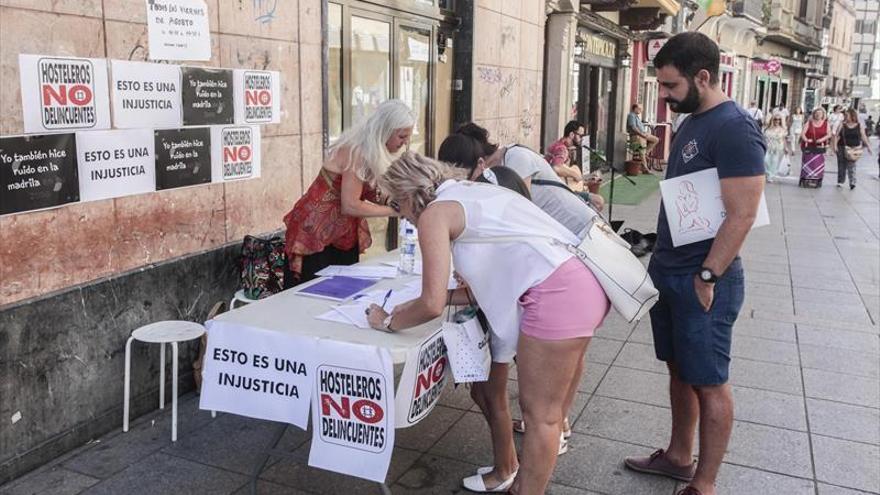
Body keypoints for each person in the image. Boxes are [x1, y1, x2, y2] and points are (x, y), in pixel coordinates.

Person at [367, 152, 609, 494]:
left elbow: (431, 303)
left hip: (557, 293)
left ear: (407, 194)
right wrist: (435, 300)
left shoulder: (434, 215)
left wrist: (388, 320)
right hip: (579, 284)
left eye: (396, 204)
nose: (400, 214)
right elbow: (481, 284)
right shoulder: (469, 190)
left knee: (541, 416)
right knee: (546, 415)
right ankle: (522, 484)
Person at [622, 32, 766, 495]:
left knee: (709, 382)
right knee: (679, 370)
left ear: (703, 76)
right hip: (670, 269)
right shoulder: (693, 120)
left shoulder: (735, 127)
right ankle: (680, 457)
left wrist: (708, 275)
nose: (663, 97)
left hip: (703, 278)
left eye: (670, 87)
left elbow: (742, 212)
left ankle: (704, 484)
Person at [281, 99, 414, 285]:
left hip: (340, 232)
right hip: (317, 232)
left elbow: (367, 190)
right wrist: (396, 211)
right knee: (316, 294)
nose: (405, 143)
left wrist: (392, 201)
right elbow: (350, 205)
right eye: (401, 137)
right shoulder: (357, 151)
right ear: (385, 130)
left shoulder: (369, 149)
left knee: (342, 290)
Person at [833, 108, 873, 190]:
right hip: (842, 146)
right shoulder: (842, 124)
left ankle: (852, 182)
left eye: (847, 115)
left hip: (854, 148)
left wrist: (868, 147)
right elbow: (837, 136)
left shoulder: (859, 125)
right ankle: (840, 181)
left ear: (852, 116)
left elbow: (863, 136)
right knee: (841, 164)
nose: (846, 117)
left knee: (852, 165)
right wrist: (835, 146)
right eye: (845, 115)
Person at [544, 120, 589, 185]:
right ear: (571, 134)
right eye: (581, 136)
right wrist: (574, 174)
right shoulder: (562, 149)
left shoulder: (559, 144)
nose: (582, 139)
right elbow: (556, 168)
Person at [799, 107, 832, 188]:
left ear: (823, 115)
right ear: (814, 114)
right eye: (816, 113)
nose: (818, 115)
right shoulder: (809, 123)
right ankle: (805, 178)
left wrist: (821, 139)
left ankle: (817, 179)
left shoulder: (826, 124)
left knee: (818, 163)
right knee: (807, 162)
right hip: (808, 146)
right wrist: (806, 139)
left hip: (820, 146)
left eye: (820, 113)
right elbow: (803, 133)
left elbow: (829, 134)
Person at [764, 114, 792, 180]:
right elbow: (763, 138)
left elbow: (784, 139)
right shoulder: (767, 129)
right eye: (775, 119)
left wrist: (786, 148)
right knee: (765, 160)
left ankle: (770, 175)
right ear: (772, 120)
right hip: (768, 146)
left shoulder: (782, 130)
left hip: (777, 147)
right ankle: (767, 172)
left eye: (779, 119)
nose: (777, 121)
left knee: (774, 161)